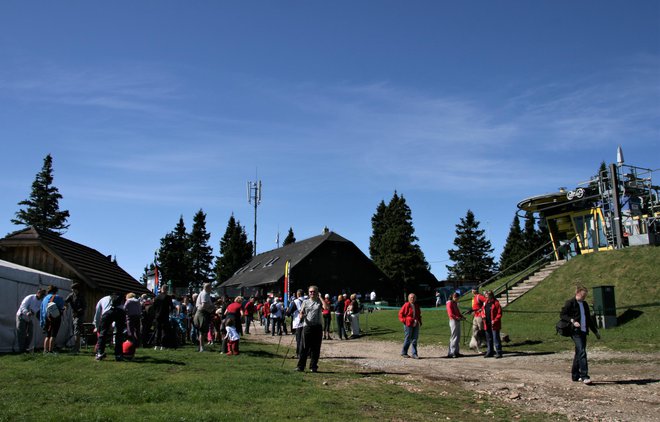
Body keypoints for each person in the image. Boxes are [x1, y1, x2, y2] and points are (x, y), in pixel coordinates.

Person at [560, 285, 601, 385]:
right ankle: (585, 376)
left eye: (585, 296)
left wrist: (595, 331)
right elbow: (563, 315)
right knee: (582, 351)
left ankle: (575, 375)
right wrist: (573, 321)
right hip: (575, 331)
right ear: (577, 293)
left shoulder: (585, 304)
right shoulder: (570, 303)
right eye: (583, 295)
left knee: (579, 352)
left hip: (583, 331)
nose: (584, 297)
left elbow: (588, 319)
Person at [296, 285, 323, 373]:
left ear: (317, 292)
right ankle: (301, 366)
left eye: (314, 291)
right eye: (310, 291)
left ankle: (313, 366)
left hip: (317, 327)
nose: (312, 293)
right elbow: (301, 312)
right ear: (308, 293)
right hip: (307, 326)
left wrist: (321, 297)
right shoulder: (305, 302)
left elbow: (326, 308)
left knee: (316, 348)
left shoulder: (320, 301)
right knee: (304, 347)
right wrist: (301, 316)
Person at [93, 293, 126, 361]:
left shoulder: (102, 299)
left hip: (107, 313)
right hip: (120, 312)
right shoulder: (119, 298)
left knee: (103, 333)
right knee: (119, 334)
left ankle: (100, 353)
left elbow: (98, 314)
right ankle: (118, 354)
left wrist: (96, 326)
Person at [15, 288, 46, 353]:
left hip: (30, 319)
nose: (42, 296)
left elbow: (38, 312)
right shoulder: (30, 297)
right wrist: (27, 312)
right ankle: (21, 350)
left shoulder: (41, 302)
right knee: (21, 334)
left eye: (44, 295)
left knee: (30, 334)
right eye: (42, 294)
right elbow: (23, 306)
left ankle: (26, 348)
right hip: (22, 316)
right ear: (38, 293)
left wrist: (42, 321)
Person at [40, 285, 65, 354]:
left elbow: (41, 310)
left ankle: (45, 350)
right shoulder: (57, 297)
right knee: (53, 335)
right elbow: (63, 306)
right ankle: (51, 350)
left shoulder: (44, 299)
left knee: (47, 335)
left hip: (46, 318)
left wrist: (42, 321)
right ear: (55, 291)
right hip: (55, 318)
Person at [398, 293, 422, 359]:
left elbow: (418, 314)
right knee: (408, 338)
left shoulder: (416, 305)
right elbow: (400, 314)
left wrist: (420, 321)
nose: (412, 299)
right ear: (409, 298)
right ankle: (404, 352)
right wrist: (404, 320)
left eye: (414, 297)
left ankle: (414, 354)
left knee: (415, 339)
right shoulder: (406, 305)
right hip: (408, 324)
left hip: (415, 323)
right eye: (411, 297)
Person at [64, 283, 86, 354]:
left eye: (74, 289)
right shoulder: (71, 295)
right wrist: (65, 306)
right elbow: (65, 301)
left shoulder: (81, 296)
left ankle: (76, 348)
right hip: (74, 315)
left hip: (80, 315)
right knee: (75, 330)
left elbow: (84, 307)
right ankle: (76, 347)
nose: (73, 291)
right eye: (72, 289)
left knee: (77, 331)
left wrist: (78, 312)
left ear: (77, 289)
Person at [152, 285, 173, 350]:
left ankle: (156, 345)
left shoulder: (156, 297)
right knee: (164, 331)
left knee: (158, 330)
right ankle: (163, 345)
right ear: (167, 290)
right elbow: (171, 307)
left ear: (161, 289)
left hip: (157, 316)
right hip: (165, 315)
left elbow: (153, 307)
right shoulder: (168, 297)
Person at [194, 283, 214, 352]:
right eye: (211, 287)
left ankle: (200, 347)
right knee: (202, 332)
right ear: (207, 288)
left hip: (201, 313)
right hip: (202, 314)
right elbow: (204, 305)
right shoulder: (204, 294)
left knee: (202, 332)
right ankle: (201, 348)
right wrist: (211, 307)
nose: (211, 288)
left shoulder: (204, 293)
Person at [482, 291, 503, 358]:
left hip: (494, 324)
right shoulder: (485, 303)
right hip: (487, 323)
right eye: (486, 297)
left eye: (488, 296)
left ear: (491, 296)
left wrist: (495, 320)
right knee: (489, 338)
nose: (487, 298)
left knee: (496, 338)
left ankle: (499, 352)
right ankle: (490, 351)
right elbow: (482, 310)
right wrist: (483, 316)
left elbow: (499, 314)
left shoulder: (496, 303)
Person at [446, 292, 464, 358]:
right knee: (454, 336)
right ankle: (451, 352)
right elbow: (450, 313)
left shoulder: (455, 303)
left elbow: (457, 312)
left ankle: (456, 351)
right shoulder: (449, 303)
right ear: (453, 297)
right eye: (457, 298)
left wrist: (461, 316)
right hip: (453, 320)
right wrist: (457, 317)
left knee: (458, 336)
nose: (457, 299)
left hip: (457, 320)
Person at [469, 288, 486, 353]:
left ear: (475, 291)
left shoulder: (479, 296)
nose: (472, 291)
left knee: (480, 331)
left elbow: (486, 301)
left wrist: (481, 309)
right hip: (475, 316)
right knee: (474, 331)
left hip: (480, 316)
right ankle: (474, 345)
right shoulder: (475, 297)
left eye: (472, 290)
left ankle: (483, 343)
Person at [291, 289, 304, 358]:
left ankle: (299, 354)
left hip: (298, 322)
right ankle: (307, 353)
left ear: (298, 294)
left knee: (298, 339)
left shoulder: (295, 301)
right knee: (305, 339)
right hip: (307, 322)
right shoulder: (307, 300)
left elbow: (289, 311)